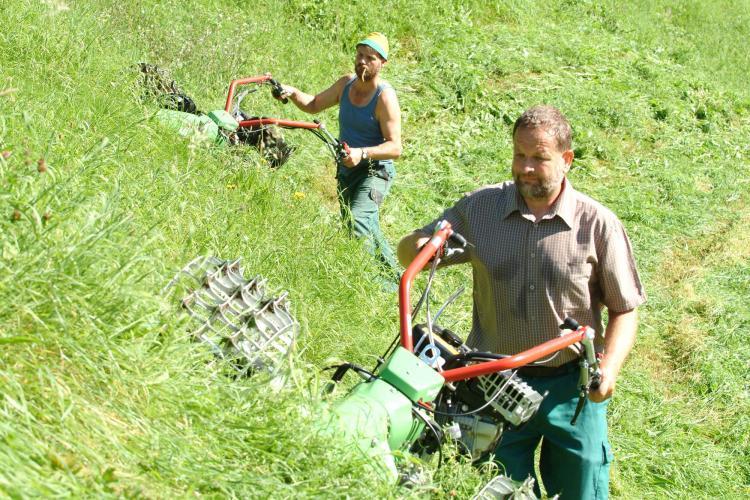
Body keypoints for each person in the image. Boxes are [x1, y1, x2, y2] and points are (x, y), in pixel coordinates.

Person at [397, 105, 645, 499]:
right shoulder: (481, 209)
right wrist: (423, 247)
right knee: (494, 487)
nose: (526, 168)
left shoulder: (598, 225)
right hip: (496, 384)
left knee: (582, 487)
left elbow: (625, 309)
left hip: (572, 388)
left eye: (539, 158)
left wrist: (609, 372)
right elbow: (411, 251)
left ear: (566, 160)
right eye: (519, 155)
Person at [275, 32, 402, 284]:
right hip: (347, 170)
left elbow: (395, 147)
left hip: (374, 172)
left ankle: (366, 284)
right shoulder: (346, 84)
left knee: (358, 224)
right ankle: (396, 284)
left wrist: (362, 153)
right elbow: (313, 104)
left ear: (382, 63)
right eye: (359, 55)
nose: (362, 62)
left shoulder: (384, 98)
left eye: (370, 58)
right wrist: (292, 93)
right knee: (364, 226)